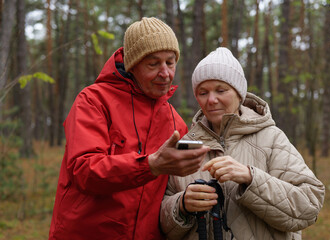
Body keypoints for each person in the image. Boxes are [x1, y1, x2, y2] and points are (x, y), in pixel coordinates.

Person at [48, 17, 210, 240]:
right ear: (132, 65)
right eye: (153, 64)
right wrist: (150, 165)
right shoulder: (94, 101)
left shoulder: (175, 122)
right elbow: (83, 170)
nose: (165, 73)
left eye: (170, 62)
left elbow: (174, 191)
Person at [160, 47, 325, 240]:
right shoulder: (187, 146)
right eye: (203, 92)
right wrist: (181, 206)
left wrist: (251, 178)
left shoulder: (271, 139)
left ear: (239, 94)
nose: (211, 100)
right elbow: (161, 224)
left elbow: (309, 206)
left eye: (221, 90)